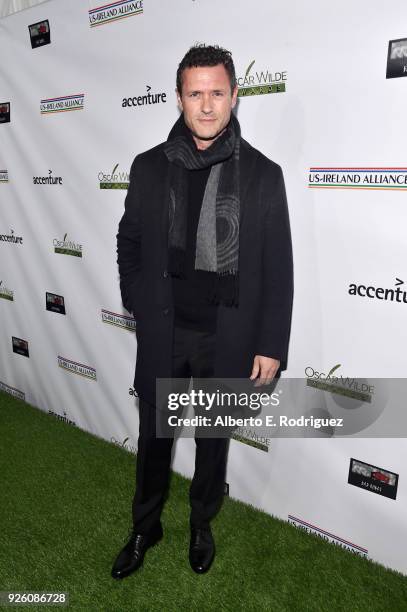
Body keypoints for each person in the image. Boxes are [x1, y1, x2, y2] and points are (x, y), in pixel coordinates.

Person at [112, 44, 293, 579]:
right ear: (178, 98)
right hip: (166, 333)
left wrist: (271, 345)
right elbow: (130, 241)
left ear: (235, 96)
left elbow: (278, 267)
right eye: (196, 93)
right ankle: (146, 525)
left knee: (213, 442)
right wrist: (138, 299)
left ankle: (200, 522)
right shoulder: (149, 167)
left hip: (226, 337)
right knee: (153, 441)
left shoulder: (263, 174)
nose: (207, 105)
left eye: (217, 92)